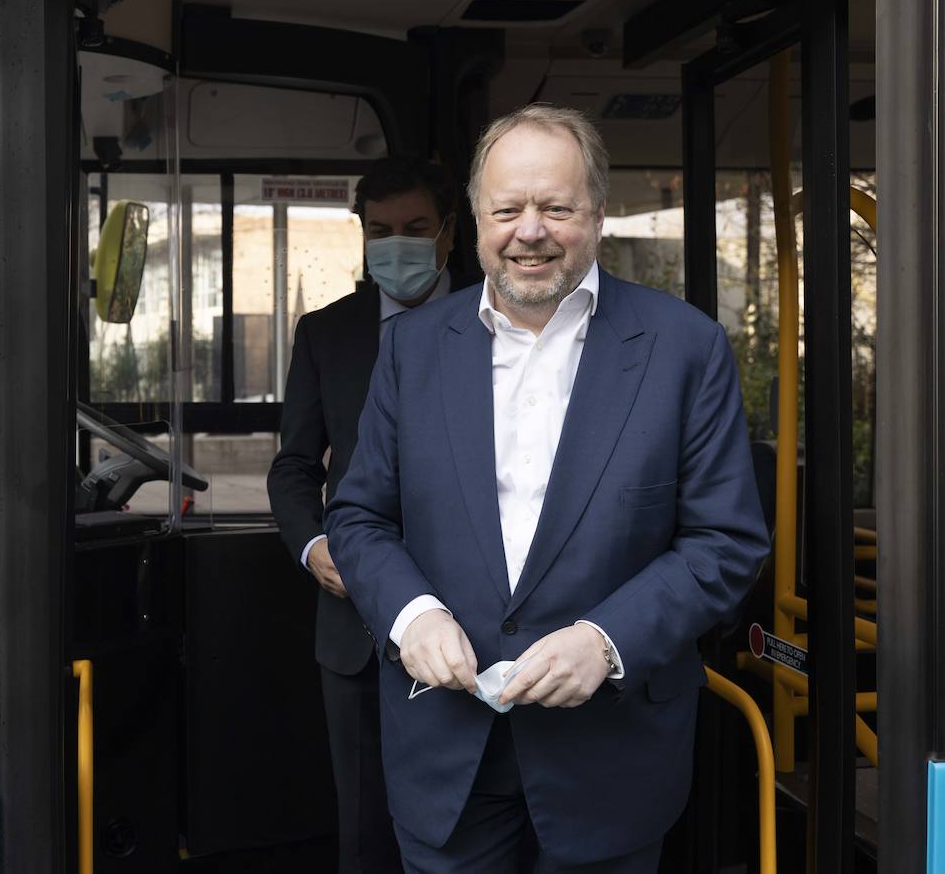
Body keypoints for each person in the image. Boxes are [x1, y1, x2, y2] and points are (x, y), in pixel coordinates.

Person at [325, 105, 769, 873]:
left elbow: (725, 541)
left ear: (596, 214)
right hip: (446, 757)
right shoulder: (412, 349)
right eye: (508, 209)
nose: (530, 230)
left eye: (556, 207)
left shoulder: (684, 346)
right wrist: (412, 615)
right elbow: (361, 516)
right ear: (474, 220)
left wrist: (608, 640)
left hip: (613, 758)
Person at [268, 156, 479, 874]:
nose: (398, 244)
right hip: (357, 631)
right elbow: (295, 467)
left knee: (476, 822)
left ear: (450, 234)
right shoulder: (329, 333)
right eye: (381, 230)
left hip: (482, 625)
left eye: (416, 228)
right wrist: (314, 545)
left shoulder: (502, 317)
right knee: (366, 830)